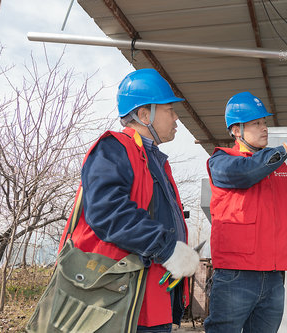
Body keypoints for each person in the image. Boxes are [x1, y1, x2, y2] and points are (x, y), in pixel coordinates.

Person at [59, 68, 200, 332]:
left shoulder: (155, 161)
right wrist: (168, 248)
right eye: (170, 109)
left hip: (149, 298)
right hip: (116, 302)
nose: (176, 118)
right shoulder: (113, 148)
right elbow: (108, 211)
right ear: (145, 114)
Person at [203, 92, 287, 333]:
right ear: (237, 130)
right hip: (236, 276)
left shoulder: (276, 166)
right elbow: (247, 172)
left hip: (272, 277)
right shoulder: (222, 161)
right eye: (256, 123)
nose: (264, 128)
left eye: (265, 122)